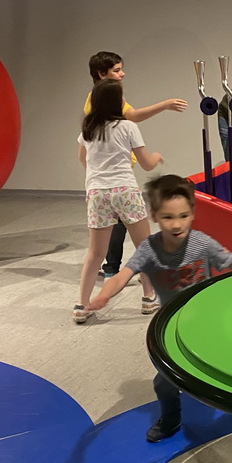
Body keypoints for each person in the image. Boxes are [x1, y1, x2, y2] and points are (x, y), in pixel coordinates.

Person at [85, 173, 232, 441]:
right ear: (155, 216)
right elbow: (123, 275)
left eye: (183, 216)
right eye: (168, 217)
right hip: (173, 327)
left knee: (229, 368)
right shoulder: (149, 249)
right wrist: (103, 295)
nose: (176, 224)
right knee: (164, 382)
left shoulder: (202, 243)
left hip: (209, 320)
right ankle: (170, 421)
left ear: (192, 214)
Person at [85, 51, 187, 279]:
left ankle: (109, 274)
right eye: (117, 70)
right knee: (137, 238)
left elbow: (85, 154)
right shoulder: (105, 108)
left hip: (104, 183)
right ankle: (143, 286)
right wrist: (165, 105)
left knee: (110, 233)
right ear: (102, 74)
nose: (123, 74)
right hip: (118, 182)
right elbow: (133, 118)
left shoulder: (99, 113)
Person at [74, 79, 164, 324]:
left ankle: (81, 305)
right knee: (143, 246)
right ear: (117, 101)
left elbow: (84, 160)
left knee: (95, 252)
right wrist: (156, 158)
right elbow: (145, 163)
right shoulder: (128, 127)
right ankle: (148, 298)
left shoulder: (88, 129)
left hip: (97, 193)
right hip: (125, 190)